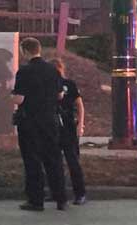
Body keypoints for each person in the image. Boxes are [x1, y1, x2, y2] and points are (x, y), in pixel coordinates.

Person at [12, 37, 67, 211]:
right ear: (39, 49)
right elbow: (60, 95)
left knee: (32, 160)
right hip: (50, 120)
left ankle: (36, 200)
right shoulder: (53, 70)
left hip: (30, 121)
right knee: (53, 158)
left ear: (25, 51)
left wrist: (10, 96)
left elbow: (19, 99)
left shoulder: (24, 72)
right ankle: (61, 198)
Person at [50, 58, 87, 205]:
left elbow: (79, 105)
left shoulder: (69, 85)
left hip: (68, 125)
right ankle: (57, 191)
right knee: (54, 161)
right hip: (53, 125)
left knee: (72, 160)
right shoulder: (48, 86)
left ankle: (80, 193)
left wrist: (80, 124)